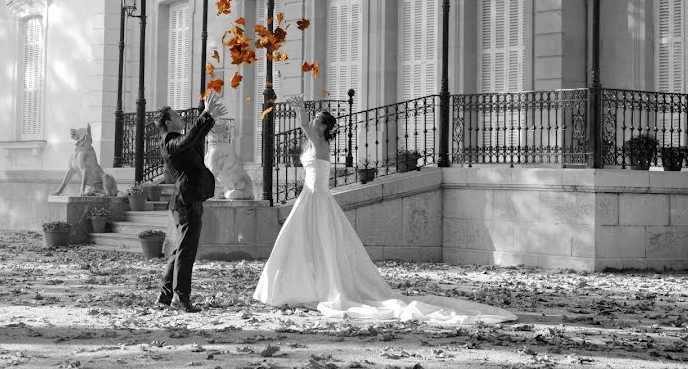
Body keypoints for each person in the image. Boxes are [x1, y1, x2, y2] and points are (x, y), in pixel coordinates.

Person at [253, 94, 516, 324]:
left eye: (316, 120)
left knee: (317, 246)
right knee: (306, 245)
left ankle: (317, 289)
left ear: (322, 127)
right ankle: (302, 288)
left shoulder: (320, 143)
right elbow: (304, 135)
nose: (312, 123)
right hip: (311, 197)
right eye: (314, 119)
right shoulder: (314, 144)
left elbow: (302, 124)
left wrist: (301, 108)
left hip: (317, 198)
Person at [155, 91, 227, 313]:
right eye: (176, 115)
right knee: (186, 251)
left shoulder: (177, 142)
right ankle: (181, 297)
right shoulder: (169, 142)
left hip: (188, 200)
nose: (180, 117)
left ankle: (165, 297)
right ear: (168, 122)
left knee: (180, 250)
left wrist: (210, 118)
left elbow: (194, 141)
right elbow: (187, 140)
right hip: (186, 202)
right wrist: (204, 113)